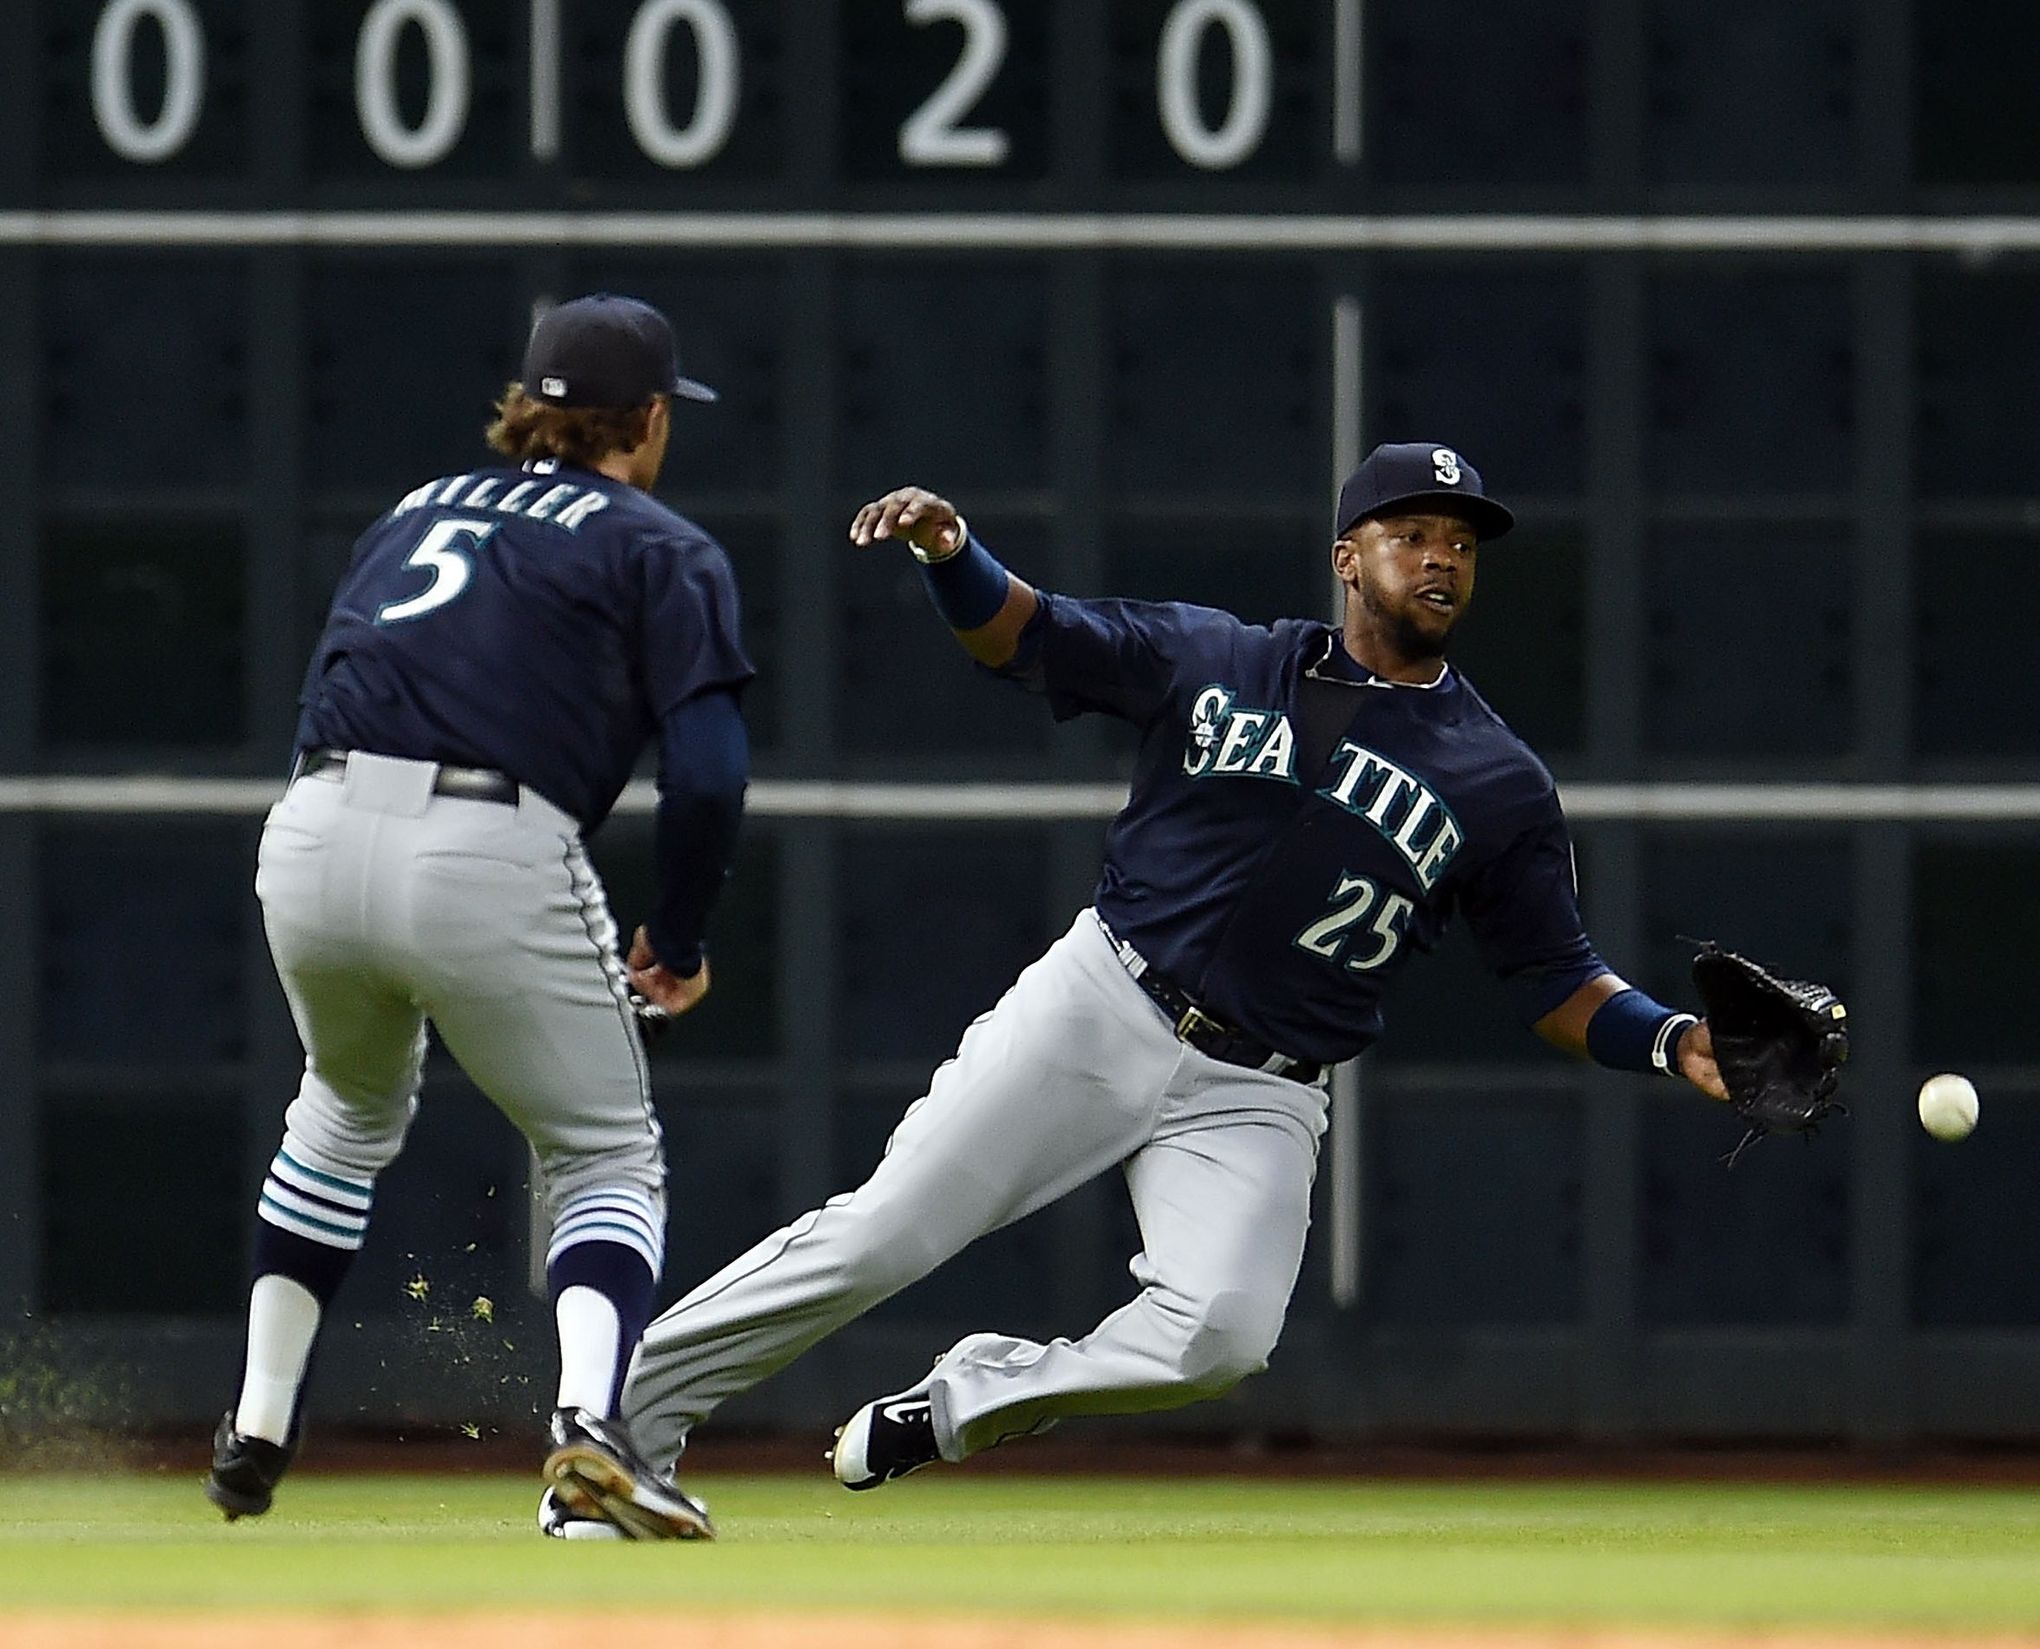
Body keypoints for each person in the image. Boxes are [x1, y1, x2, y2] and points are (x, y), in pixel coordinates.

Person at [560, 442, 1729, 1537]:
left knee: (1218, 1336)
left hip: (1261, 1086)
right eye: (1412, 531)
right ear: (1347, 556)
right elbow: (1030, 637)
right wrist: (950, 551)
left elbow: (1556, 978)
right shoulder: (1217, 654)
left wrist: (1673, 1037)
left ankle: (962, 1402)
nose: (1439, 557)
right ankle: (616, 1425)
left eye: (1461, 543)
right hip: (1104, 1001)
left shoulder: (1498, 776)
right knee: (881, 1233)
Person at [202, 294, 753, 1542]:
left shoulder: (413, 511)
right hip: (485, 840)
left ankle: (257, 1423)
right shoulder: (660, 545)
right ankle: (589, 1439)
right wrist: (680, 935)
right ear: (651, 420)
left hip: (313, 824)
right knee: (605, 1150)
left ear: (528, 407)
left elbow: (326, 693)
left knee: (340, 1114)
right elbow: (710, 775)